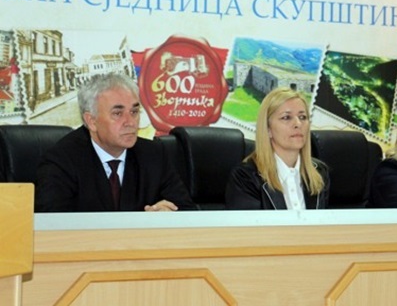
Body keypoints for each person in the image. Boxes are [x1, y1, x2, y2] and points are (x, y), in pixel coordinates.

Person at [35, 73, 197, 212]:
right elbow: (52, 224)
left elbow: (188, 212)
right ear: (91, 121)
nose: (131, 122)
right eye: (118, 113)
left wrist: (168, 215)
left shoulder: (154, 154)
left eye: (134, 111)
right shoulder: (61, 161)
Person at [225, 87, 329, 210]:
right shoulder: (246, 177)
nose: (298, 124)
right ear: (268, 129)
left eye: (302, 117)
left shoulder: (319, 173)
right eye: (286, 117)